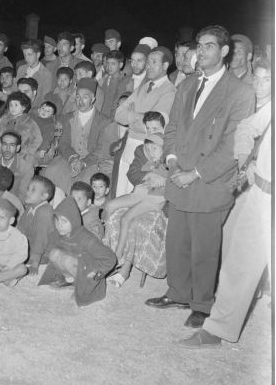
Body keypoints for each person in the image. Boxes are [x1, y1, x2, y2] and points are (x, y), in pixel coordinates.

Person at [145, 24, 255, 329]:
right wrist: (171, 161)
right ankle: (178, 292)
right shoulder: (187, 85)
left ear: (223, 51)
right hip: (178, 173)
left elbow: (233, 144)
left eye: (209, 46)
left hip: (208, 181)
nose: (202, 51)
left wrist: (194, 173)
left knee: (204, 248)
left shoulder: (240, 92)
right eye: (200, 45)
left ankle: (202, 304)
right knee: (177, 241)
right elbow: (172, 129)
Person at [178, 59, 271, 348]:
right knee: (238, 264)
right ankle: (215, 331)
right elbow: (245, 127)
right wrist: (247, 159)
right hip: (261, 196)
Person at [104, 133, 167, 285]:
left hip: (153, 200)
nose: (150, 152)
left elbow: (168, 183)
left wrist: (161, 180)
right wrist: (149, 174)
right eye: (148, 149)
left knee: (126, 218)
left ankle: (118, 256)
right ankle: (106, 246)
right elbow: (136, 174)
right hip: (140, 193)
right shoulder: (149, 161)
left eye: (154, 148)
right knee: (109, 206)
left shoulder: (167, 164)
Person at [114, 46, 176, 197]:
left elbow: (154, 127)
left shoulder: (170, 91)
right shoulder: (143, 87)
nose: (148, 66)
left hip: (146, 153)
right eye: (147, 62)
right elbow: (118, 114)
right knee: (120, 191)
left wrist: (132, 116)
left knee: (136, 196)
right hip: (128, 146)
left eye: (153, 62)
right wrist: (140, 116)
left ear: (165, 66)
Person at [38, 197, 116, 307]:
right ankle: (70, 281)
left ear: (74, 221)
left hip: (89, 273)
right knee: (54, 254)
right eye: (57, 221)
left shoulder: (87, 239)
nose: (60, 226)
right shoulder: (58, 233)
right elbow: (49, 248)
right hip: (76, 265)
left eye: (64, 221)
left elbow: (111, 258)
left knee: (68, 260)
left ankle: (81, 287)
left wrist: (97, 275)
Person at [42, 77, 112, 192]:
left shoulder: (105, 121)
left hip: (91, 162)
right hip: (68, 158)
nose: (80, 101)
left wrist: (83, 163)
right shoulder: (67, 118)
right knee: (52, 171)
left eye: (85, 97)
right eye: (78, 97)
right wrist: (73, 158)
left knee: (85, 183)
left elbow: (101, 149)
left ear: (93, 99)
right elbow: (63, 143)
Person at [0, 92, 42, 164]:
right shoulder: (5, 120)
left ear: (23, 107)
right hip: (3, 153)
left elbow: (38, 139)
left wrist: (27, 153)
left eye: (16, 105)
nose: (13, 108)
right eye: (11, 105)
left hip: (21, 155)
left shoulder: (29, 122)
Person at [18, 175, 56, 276]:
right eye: (28, 189)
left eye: (33, 190)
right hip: (28, 245)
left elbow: (41, 239)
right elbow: (20, 228)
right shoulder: (30, 207)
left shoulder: (45, 213)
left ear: (44, 196)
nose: (27, 192)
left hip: (44, 253)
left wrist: (35, 264)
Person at [0, 131, 35, 201]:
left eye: (12, 145)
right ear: (0, 145)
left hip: (13, 204)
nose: (7, 149)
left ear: (17, 148)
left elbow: (23, 196)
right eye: (5, 144)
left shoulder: (26, 168)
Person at [16, 40, 53, 107]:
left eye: (29, 55)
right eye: (25, 55)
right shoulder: (21, 69)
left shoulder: (47, 74)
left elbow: (45, 99)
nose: (26, 58)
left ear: (38, 54)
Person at [97, 49, 130, 119]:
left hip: (113, 120)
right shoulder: (103, 79)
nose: (109, 67)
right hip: (100, 118)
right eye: (107, 63)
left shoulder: (126, 81)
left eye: (113, 64)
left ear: (120, 65)